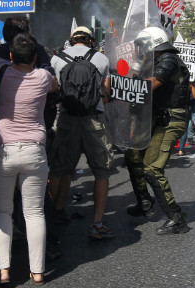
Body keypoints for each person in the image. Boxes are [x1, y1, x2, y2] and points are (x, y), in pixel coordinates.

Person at [0, 33, 57, 284]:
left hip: (2, 148)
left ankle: (4, 269)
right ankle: (37, 271)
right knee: (35, 212)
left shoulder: (3, 73)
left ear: (10, 55)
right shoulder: (44, 76)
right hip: (33, 149)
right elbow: (55, 87)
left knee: (2, 210)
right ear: (36, 57)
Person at [48, 26, 115, 240]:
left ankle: (53, 215)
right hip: (94, 118)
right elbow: (105, 93)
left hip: (67, 118)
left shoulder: (56, 59)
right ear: (90, 40)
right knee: (101, 171)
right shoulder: (101, 59)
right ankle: (97, 224)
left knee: (59, 169)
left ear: (71, 39)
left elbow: (54, 88)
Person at [123, 27, 191, 235]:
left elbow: (150, 85)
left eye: (144, 44)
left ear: (154, 43)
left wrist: (125, 85)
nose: (141, 49)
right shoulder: (153, 61)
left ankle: (176, 217)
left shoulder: (168, 59)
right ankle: (144, 202)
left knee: (152, 168)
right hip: (155, 117)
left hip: (170, 120)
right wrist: (135, 65)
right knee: (132, 156)